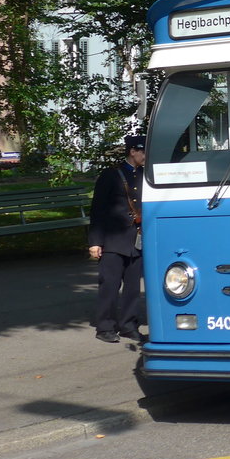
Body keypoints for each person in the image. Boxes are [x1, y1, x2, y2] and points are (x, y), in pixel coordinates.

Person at [88, 134, 145, 344]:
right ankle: (105, 327)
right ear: (133, 151)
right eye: (144, 151)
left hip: (136, 239)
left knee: (132, 288)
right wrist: (95, 241)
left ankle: (129, 326)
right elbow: (98, 210)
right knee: (109, 286)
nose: (146, 156)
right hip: (113, 239)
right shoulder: (111, 175)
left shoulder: (145, 176)